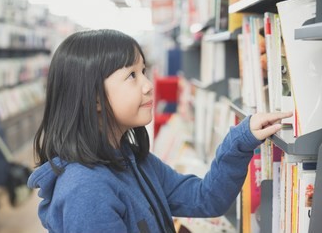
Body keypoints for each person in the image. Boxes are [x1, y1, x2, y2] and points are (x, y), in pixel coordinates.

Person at [27, 29, 292, 233]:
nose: (148, 85)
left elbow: (205, 199)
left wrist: (241, 140)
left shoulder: (134, 161)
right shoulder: (85, 190)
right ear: (94, 97)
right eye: (132, 75)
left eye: (144, 71)